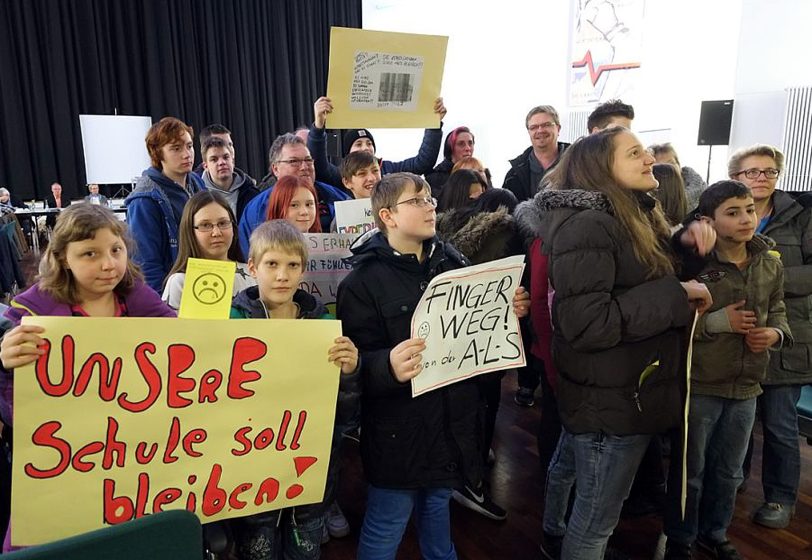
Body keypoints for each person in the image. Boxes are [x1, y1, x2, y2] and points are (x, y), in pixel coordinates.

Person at [533, 127, 714, 560]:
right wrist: (679, 293)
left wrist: (684, 249)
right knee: (596, 522)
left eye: (646, 149)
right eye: (634, 152)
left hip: (619, 387)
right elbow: (589, 323)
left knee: (585, 496)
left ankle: (555, 536)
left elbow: (635, 277)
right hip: (611, 399)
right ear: (602, 169)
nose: (650, 158)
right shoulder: (588, 226)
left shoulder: (631, 213)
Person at [336, 172, 530, 558]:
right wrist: (385, 366)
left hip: (450, 424)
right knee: (387, 521)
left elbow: (475, 335)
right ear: (388, 216)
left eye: (430, 199)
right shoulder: (361, 283)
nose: (430, 206)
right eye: (417, 201)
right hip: (398, 431)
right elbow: (353, 366)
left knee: (437, 509)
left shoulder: (454, 262)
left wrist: (505, 312)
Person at [0, 204, 175, 553]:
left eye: (116, 250)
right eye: (90, 254)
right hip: (65, 464)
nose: (109, 264)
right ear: (64, 257)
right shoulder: (33, 310)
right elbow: (14, 395)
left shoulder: (135, 295)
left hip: (132, 458)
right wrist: (5, 358)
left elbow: (186, 340)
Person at [663, 180, 791, 560]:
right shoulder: (694, 264)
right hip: (701, 382)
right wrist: (718, 323)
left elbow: (778, 307)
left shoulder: (769, 261)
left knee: (730, 471)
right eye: (732, 213)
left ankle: (714, 531)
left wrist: (775, 333)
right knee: (691, 471)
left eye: (749, 210)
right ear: (708, 220)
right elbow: (671, 318)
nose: (745, 219)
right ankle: (680, 537)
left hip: (747, 385)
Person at [229, 219, 360, 560]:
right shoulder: (231, 323)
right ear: (253, 268)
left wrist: (349, 373)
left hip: (310, 476)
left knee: (305, 552)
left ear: (304, 270)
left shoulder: (324, 327)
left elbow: (344, 416)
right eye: (272, 264)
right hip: (252, 475)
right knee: (258, 549)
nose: (282, 275)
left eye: (292, 265)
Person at [727, 144, 812, 530]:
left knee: (780, 424)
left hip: (785, 332)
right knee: (736, 419)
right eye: (752, 172)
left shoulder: (801, 217)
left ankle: (780, 497)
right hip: (735, 332)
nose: (762, 178)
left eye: (769, 171)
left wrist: (767, 281)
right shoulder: (722, 214)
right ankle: (733, 480)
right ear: (736, 178)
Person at [125, 117, 204, 292]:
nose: (186, 154)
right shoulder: (144, 200)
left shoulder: (197, 183)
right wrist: (161, 308)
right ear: (157, 153)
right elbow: (145, 264)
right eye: (176, 148)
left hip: (201, 282)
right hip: (168, 292)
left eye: (189, 146)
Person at [238, 134, 350, 252]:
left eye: (308, 160)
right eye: (294, 161)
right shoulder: (257, 209)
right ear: (275, 169)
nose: (304, 167)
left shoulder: (338, 197)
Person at [308, 97, 446, 191]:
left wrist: (434, 125)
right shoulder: (340, 174)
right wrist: (319, 126)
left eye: (369, 143)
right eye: (358, 144)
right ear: (347, 182)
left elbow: (423, 162)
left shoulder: (389, 169)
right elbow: (319, 165)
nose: (365, 148)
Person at [162, 190, 255, 310]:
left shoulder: (253, 273)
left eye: (223, 223)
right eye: (205, 225)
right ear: (190, 232)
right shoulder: (180, 281)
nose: (216, 232)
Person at [503, 106, 570, 202]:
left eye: (546, 125)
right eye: (534, 127)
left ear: (558, 129)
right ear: (529, 132)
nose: (540, 130)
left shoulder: (578, 165)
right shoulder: (513, 176)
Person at [200, 136, 259, 221]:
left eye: (226, 157)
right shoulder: (198, 195)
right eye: (214, 159)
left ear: (233, 161)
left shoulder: (252, 194)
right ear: (205, 166)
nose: (221, 162)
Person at [648, 142, 707, 210]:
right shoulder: (646, 203)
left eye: (671, 163)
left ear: (679, 165)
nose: (668, 169)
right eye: (660, 166)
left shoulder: (705, 194)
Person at [425, 126, 476, 196]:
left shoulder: (481, 173)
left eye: (470, 143)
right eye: (461, 144)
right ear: (450, 148)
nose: (468, 148)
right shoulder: (435, 178)